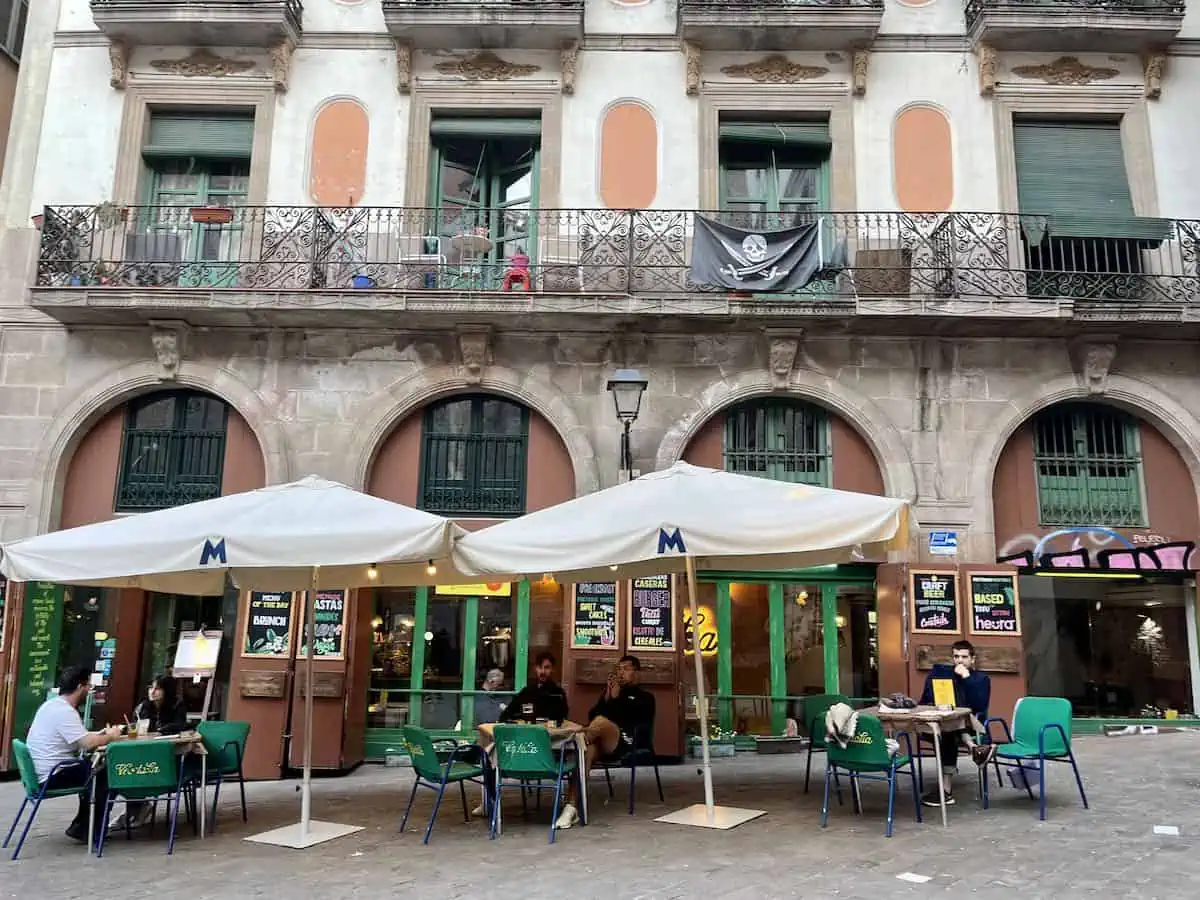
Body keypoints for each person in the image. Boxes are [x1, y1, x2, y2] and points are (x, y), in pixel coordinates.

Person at [555, 654, 656, 831]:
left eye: (625, 669)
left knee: (599, 724)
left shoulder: (645, 697)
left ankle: (573, 742)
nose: (620, 673)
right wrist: (608, 696)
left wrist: (615, 699)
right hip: (602, 742)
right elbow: (592, 716)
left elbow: (626, 717)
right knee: (586, 752)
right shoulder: (613, 693)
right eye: (618, 669)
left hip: (627, 742)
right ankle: (571, 807)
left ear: (637, 673)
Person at [25, 665, 122, 844]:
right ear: (80, 686)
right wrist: (111, 736)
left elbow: (80, 738)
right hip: (53, 774)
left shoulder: (51, 706)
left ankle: (82, 826)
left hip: (43, 771)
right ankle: (91, 831)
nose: (89, 690)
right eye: (88, 686)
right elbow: (87, 743)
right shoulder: (65, 712)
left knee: (92, 769)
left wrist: (101, 735)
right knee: (106, 773)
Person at [919, 639, 995, 806]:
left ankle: (945, 791)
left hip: (971, 722)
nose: (960, 660)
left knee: (948, 731)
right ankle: (975, 749)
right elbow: (925, 699)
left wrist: (967, 678)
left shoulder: (981, 679)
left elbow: (980, 705)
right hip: (944, 721)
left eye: (964, 657)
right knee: (947, 727)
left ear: (972, 659)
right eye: (956, 656)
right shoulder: (942, 675)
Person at [111, 675, 189, 830]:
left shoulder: (177, 705)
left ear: (167, 691)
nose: (152, 692)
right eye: (150, 688)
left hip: (167, 758)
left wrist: (164, 729)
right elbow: (136, 728)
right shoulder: (143, 707)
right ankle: (139, 807)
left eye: (157, 688)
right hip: (143, 754)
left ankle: (137, 809)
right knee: (121, 768)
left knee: (132, 770)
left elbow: (182, 726)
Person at [497, 652, 569, 724]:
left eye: (547, 667)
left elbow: (563, 718)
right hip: (529, 732)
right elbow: (507, 714)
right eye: (540, 667)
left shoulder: (558, 693)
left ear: (553, 669)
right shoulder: (526, 692)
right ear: (535, 668)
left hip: (550, 733)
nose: (542, 671)